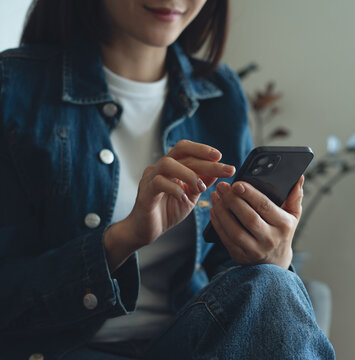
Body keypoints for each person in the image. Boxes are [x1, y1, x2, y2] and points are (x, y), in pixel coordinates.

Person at [0, 0, 335, 359]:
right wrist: (120, 240)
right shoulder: (15, 87)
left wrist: (274, 255)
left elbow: (233, 278)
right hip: (59, 350)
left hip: (188, 343)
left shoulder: (219, 92)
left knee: (274, 283)